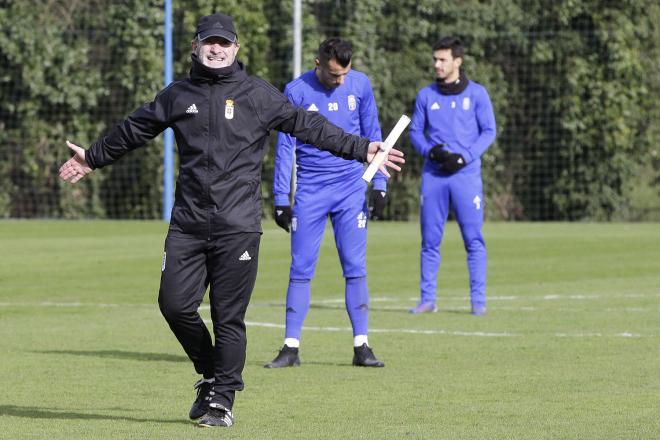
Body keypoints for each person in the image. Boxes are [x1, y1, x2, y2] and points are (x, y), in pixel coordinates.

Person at [58, 13, 404, 428]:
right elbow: (136, 129)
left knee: (228, 317)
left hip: (237, 226)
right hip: (187, 224)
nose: (217, 49)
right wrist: (93, 157)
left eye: (224, 43)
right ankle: (210, 373)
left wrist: (362, 148)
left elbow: (307, 125)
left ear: (236, 49)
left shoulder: (257, 94)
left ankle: (222, 399)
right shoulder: (177, 94)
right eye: (209, 42)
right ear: (196, 46)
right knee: (173, 305)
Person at [264, 38, 387, 369]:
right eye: (334, 75)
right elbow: (285, 148)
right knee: (301, 268)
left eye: (345, 74)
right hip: (310, 192)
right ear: (318, 64)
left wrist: (380, 183)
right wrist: (280, 199)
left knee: (355, 267)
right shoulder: (296, 91)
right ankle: (291, 347)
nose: (341, 81)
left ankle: (362, 345)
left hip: (350, 190)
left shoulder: (360, 85)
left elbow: (374, 135)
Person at [409, 36, 496, 316]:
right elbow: (414, 133)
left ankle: (478, 303)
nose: (437, 64)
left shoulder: (477, 94)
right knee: (430, 240)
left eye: (442, 59)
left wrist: (465, 157)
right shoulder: (426, 95)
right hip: (434, 176)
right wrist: (430, 152)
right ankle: (427, 300)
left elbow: (489, 131)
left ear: (457, 61)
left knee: (473, 239)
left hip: (466, 177)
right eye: (435, 59)